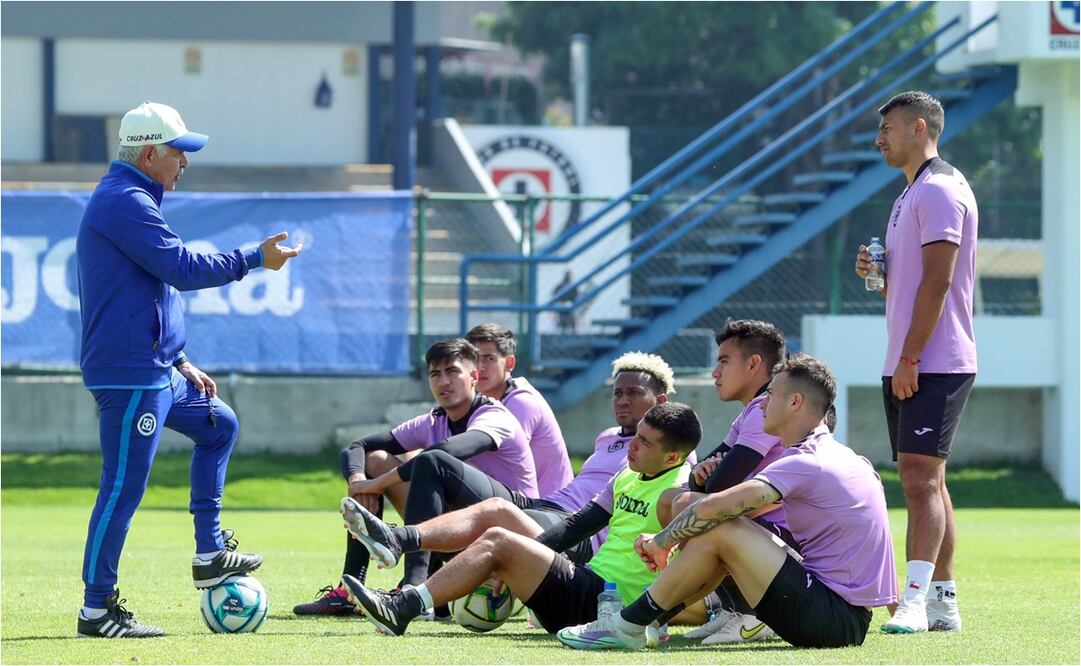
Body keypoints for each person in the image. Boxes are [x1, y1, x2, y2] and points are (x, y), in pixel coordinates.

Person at [75, 101, 302, 638]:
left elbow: (146, 289)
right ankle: (97, 610)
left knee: (219, 424)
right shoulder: (123, 201)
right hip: (131, 375)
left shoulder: (132, 199)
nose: (184, 163)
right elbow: (180, 269)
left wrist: (179, 359)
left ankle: (209, 551)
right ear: (149, 153)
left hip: (156, 367)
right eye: (178, 153)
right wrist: (252, 258)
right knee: (122, 489)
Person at [557, 354, 897, 651]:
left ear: (794, 403)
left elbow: (715, 508)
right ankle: (647, 622)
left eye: (771, 394)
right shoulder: (837, 454)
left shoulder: (808, 461)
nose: (761, 403)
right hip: (841, 614)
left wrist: (660, 543)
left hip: (834, 619)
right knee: (716, 525)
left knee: (720, 525)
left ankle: (628, 625)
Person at [343, 402, 703, 638]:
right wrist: (525, 558)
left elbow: (700, 566)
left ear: (673, 457)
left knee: (498, 535)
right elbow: (578, 525)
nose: (631, 446)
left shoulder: (680, 493)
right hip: (586, 587)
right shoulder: (627, 475)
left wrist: (656, 618)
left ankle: (402, 606)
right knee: (497, 522)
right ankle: (396, 541)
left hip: (612, 608)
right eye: (635, 436)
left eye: (645, 443)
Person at [340, 351, 678, 580]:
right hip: (549, 507)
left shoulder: (673, 454)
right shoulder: (608, 436)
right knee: (430, 466)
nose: (622, 400)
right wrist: (362, 480)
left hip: (576, 534)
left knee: (452, 473)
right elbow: (359, 447)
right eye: (618, 393)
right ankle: (376, 575)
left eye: (633, 393)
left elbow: (662, 507)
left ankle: (405, 558)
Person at [294, 338, 538, 614]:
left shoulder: (495, 415)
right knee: (375, 460)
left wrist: (379, 484)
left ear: (473, 376)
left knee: (432, 462)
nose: (444, 381)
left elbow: (448, 452)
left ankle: (414, 588)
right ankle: (349, 591)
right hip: (460, 532)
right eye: (436, 374)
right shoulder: (434, 420)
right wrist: (360, 484)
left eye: (452, 372)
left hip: (516, 533)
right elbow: (357, 447)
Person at [855, 90, 977, 634]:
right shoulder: (911, 194)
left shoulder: (941, 190)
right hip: (909, 359)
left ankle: (914, 600)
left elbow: (939, 281)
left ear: (919, 127)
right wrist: (874, 273)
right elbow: (905, 287)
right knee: (928, 478)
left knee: (918, 476)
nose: (879, 138)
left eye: (888, 129)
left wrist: (910, 356)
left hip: (934, 359)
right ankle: (944, 602)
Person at [660, 319, 790, 645]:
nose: (714, 372)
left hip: (792, 542)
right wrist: (705, 474)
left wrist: (709, 477)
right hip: (761, 533)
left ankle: (754, 615)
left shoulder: (766, 409)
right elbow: (701, 475)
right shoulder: (750, 411)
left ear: (754, 364)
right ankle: (731, 610)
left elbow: (719, 485)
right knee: (671, 500)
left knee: (687, 505)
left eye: (723, 361)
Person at [465, 323, 573, 497]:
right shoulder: (485, 403)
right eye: (474, 359)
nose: (480, 367)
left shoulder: (521, 402)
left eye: (489, 359)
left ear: (509, 363)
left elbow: (503, 466)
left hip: (549, 511)